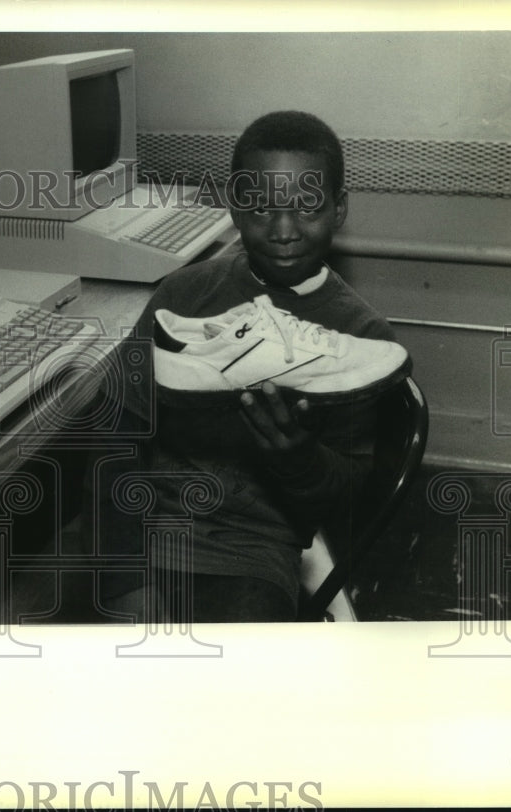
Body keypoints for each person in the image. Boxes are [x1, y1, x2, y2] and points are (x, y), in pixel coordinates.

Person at [84, 110, 403, 623]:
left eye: (306, 207)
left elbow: (347, 497)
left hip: (253, 552)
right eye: (260, 207)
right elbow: (113, 433)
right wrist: (121, 576)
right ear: (234, 205)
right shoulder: (183, 295)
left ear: (339, 208)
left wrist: (300, 459)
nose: (283, 230)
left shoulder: (361, 341)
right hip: (147, 528)